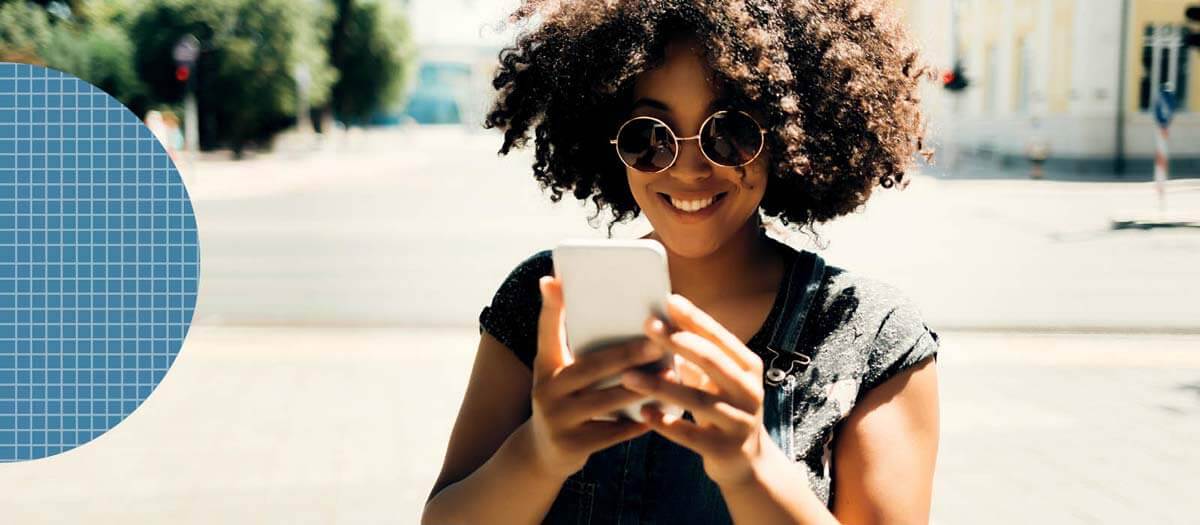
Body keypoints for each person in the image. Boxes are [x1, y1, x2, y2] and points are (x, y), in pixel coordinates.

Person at [423, 1, 941, 523]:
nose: (690, 169)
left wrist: (751, 467)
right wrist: (540, 453)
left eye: (730, 133)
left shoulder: (869, 331)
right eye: (649, 137)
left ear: (787, 134)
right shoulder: (544, 298)